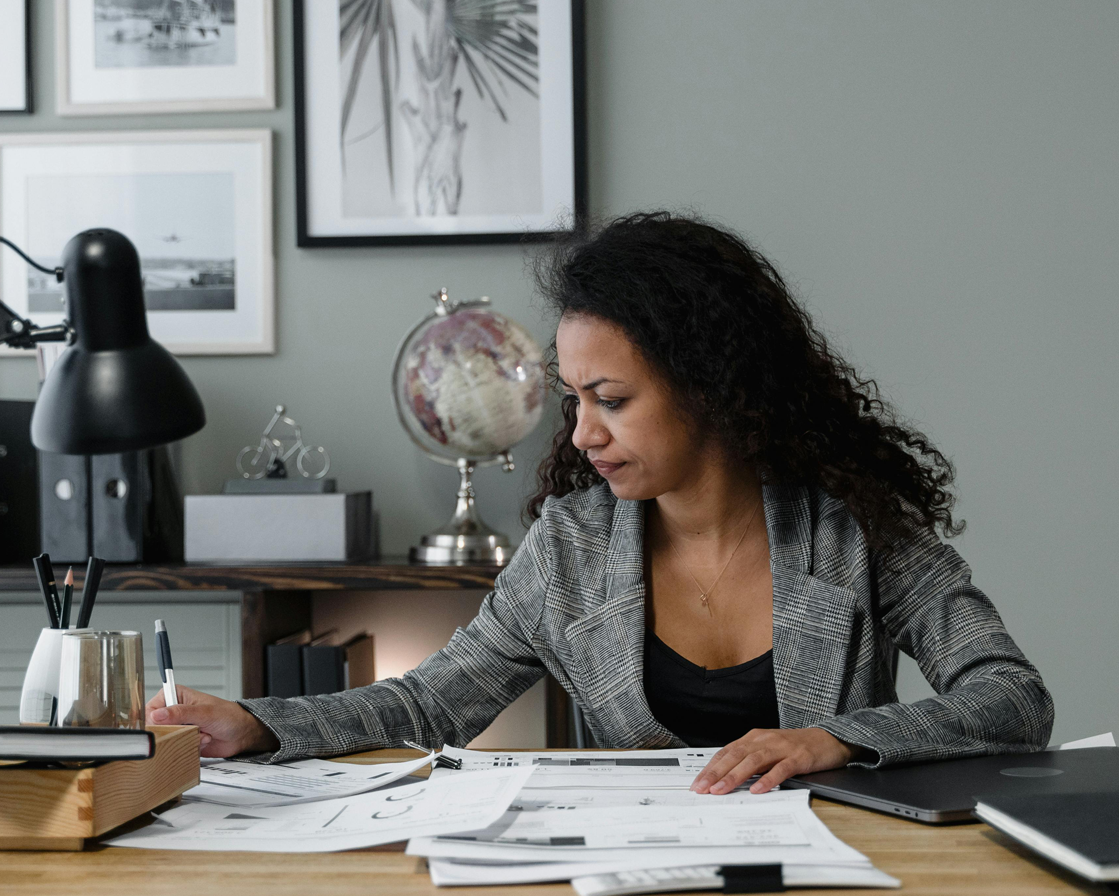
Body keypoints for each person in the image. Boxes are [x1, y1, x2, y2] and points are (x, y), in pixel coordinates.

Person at [148, 212, 1052, 794]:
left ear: (710, 387)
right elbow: (430, 707)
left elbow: (1010, 696)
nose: (581, 434)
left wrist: (838, 741)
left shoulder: (853, 529)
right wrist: (260, 721)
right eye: (574, 398)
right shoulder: (570, 550)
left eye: (610, 400)